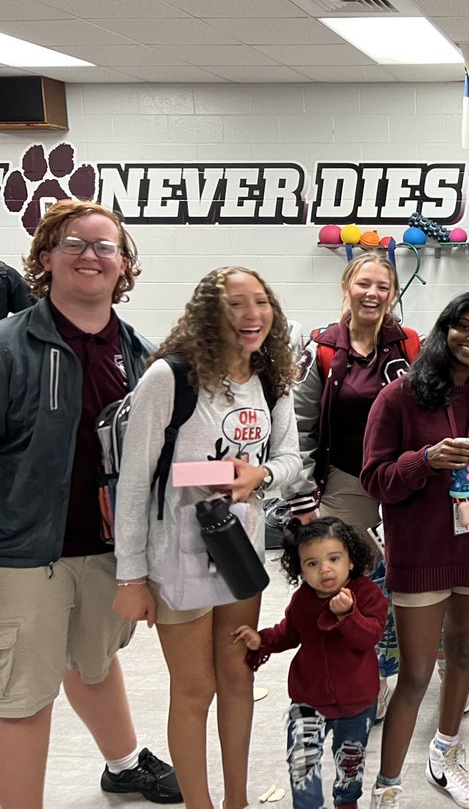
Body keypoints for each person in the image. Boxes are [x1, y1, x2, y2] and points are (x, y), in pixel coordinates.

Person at [0, 199, 180, 809]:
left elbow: (165, 461)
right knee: (24, 697)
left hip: (109, 554)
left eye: (106, 245)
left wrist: (242, 470)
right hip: (27, 557)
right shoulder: (8, 347)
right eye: (74, 242)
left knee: (95, 663)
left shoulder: (142, 356)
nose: (91, 255)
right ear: (46, 257)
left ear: (124, 266)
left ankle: (124, 765)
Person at [112, 266, 302, 809]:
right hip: (176, 555)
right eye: (235, 304)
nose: (251, 316)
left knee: (238, 679)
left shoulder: (271, 379)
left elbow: (289, 459)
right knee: (196, 691)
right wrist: (130, 575)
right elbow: (136, 479)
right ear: (208, 314)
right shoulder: (170, 377)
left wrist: (260, 476)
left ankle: (237, 801)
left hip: (239, 550)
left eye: (260, 302)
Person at [362, 292, 469, 809]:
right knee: (413, 675)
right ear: (444, 328)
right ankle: (386, 786)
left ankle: (444, 754)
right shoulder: (400, 397)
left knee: (460, 655)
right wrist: (424, 461)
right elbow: (375, 479)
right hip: (420, 556)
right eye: (464, 327)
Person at [287, 253, 421, 717]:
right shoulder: (321, 348)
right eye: (364, 283)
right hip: (346, 478)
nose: (373, 293)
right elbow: (300, 425)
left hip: (404, 476)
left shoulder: (410, 345)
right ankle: (377, 673)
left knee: (419, 573)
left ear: (393, 292)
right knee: (361, 579)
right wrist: (302, 499)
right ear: (347, 285)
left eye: (383, 286)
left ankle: (429, 662)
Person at [234, 517, 388, 809]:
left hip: (357, 703)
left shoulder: (367, 594)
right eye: (312, 563)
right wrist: (262, 640)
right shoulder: (303, 599)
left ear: (351, 561)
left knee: (350, 767)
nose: (324, 569)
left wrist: (347, 615)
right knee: (302, 768)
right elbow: (288, 632)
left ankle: (346, 803)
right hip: (307, 701)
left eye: (333, 558)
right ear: (300, 569)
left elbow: (368, 638)